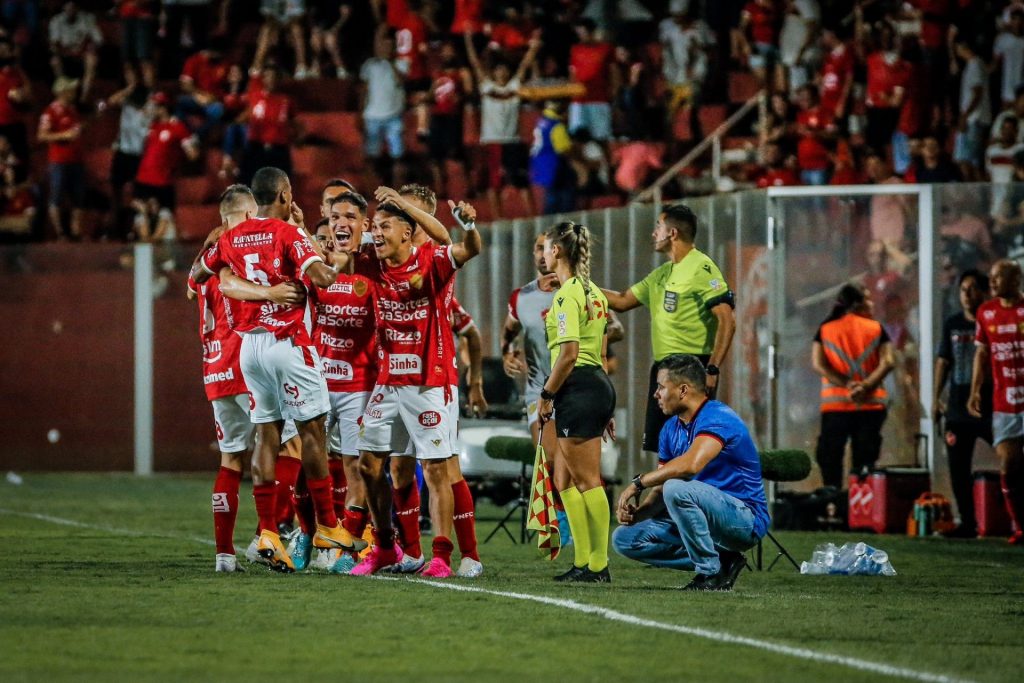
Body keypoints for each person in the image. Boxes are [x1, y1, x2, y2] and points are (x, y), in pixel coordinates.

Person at [192, 169, 366, 572]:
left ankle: (268, 530)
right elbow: (321, 277)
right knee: (312, 431)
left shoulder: (231, 237)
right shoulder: (287, 234)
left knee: (267, 434)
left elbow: (205, 274)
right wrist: (335, 259)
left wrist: (246, 282)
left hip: (249, 347)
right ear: (286, 195)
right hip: (288, 341)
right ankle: (327, 524)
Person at [328, 190, 481, 578]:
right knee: (369, 464)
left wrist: (469, 224)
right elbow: (336, 251)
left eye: (385, 226)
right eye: (374, 226)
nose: (376, 233)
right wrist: (340, 223)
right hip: (389, 381)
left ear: (409, 233)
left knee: (435, 469)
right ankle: (385, 547)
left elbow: (468, 247)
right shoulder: (369, 262)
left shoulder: (431, 261)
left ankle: (443, 556)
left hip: (429, 381)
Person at [186, 185, 302, 572]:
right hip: (249, 360)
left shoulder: (209, 255)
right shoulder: (245, 247)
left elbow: (192, 284)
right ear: (251, 214)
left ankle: (223, 554)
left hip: (215, 369)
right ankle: (265, 534)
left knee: (231, 458)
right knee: (290, 447)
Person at [612, 354, 768, 591]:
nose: (656, 394)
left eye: (661, 387)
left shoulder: (718, 416)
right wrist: (638, 515)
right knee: (623, 538)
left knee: (677, 488)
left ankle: (710, 573)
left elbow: (691, 464)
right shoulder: (669, 429)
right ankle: (724, 560)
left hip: (743, 520)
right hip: (701, 514)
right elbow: (662, 489)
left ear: (683, 390)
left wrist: (638, 483)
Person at [602, 203, 736, 452]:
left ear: (672, 233)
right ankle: (662, 491)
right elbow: (621, 301)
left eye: (658, 227)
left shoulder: (702, 268)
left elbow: (727, 320)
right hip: (663, 368)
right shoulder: (662, 273)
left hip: (692, 367)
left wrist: (713, 368)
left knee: (689, 449)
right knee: (664, 447)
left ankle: (678, 491)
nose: (654, 233)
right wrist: (577, 285)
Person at [296, 197, 377, 573]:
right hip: (316, 380)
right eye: (334, 218)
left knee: (354, 464)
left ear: (364, 224)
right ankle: (305, 535)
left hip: (359, 385)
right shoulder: (316, 273)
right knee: (305, 464)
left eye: (349, 217)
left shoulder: (374, 271)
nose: (340, 225)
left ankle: (346, 545)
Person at [538, 221, 615, 583]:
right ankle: (583, 560)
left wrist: (546, 395)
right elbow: (596, 348)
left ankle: (598, 566)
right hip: (592, 384)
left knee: (587, 480)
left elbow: (568, 354)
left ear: (556, 251)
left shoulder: (568, 294)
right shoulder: (593, 291)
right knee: (563, 477)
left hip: (578, 385)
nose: (542, 254)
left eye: (545, 247)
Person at [811, 283, 895, 488]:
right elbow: (889, 361)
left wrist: (848, 385)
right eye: (867, 299)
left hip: (835, 409)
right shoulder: (876, 328)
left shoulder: (826, 329)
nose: (871, 304)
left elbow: (818, 364)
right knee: (864, 463)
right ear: (857, 303)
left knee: (830, 459)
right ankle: (862, 507)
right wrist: (865, 386)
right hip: (870, 406)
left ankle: (834, 504)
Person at [969, 259, 1024, 545]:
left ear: (1016, 279)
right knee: (1009, 467)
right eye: (991, 277)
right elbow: (981, 354)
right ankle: (1020, 526)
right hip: (1005, 405)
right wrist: (975, 389)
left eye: (999, 277)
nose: (992, 282)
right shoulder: (986, 312)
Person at [934, 269, 992, 538]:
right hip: (958, 408)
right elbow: (943, 361)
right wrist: (936, 399)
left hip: (991, 406)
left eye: (971, 289)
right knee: (958, 469)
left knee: (1013, 461)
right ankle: (967, 523)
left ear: (984, 291)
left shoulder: (992, 320)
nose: (966, 295)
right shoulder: (953, 323)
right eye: (962, 290)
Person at [463, 28, 539, 219]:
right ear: (494, 72)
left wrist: (534, 47)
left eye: (505, 69)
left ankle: (532, 216)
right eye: (499, 69)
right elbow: (475, 63)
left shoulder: (514, 86)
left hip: (512, 141)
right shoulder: (487, 87)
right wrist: (468, 41)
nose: (502, 72)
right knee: (494, 183)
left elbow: (524, 65)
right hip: (492, 141)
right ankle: (499, 218)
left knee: (522, 182)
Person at [38, 77, 84, 240]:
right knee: (56, 197)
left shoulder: (72, 110)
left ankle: (76, 232)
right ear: (63, 92)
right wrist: (64, 134)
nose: (74, 92)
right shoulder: (50, 111)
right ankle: (60, 233)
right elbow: (41, 135)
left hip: (76, 160)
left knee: (78, 198)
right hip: (59, 161)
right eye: (70, 90)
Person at [49, 1, 101, 100]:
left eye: (73, 8)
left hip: (82, 53)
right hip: (65, 54)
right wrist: (67, 52)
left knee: (92, 60)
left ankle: (84, 98)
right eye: (68, 8)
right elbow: (54, 44)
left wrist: (90, 47)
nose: (70, 11)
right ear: (64, 9)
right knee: (54, 62)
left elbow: (98, 39)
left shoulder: (87, 19)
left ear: (77, 8)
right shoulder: (56, 21)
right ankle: (63, 95)